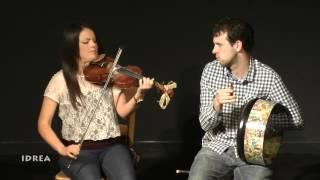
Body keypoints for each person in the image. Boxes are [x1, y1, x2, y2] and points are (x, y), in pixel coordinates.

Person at [188, 17, 304, 180]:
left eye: (219, 45)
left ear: (237, 45)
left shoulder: (268, 77)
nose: (213, 50)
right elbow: (205, 124)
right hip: (216, 147)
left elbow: (296, 119)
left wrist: (260, 121)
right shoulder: (210, 71)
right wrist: (216, 104)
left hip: (253, 155)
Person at [37, 22, 154, 180]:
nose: (93, 45)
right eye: (86, 42)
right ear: (72, 48)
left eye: (94, 41)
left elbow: (123, 112)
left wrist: (138, 95)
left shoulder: (108, 74)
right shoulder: (60, 80)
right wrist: (62, 150)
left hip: (111, 147)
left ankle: (128, 157)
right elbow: (43, 124)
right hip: (77, 150)